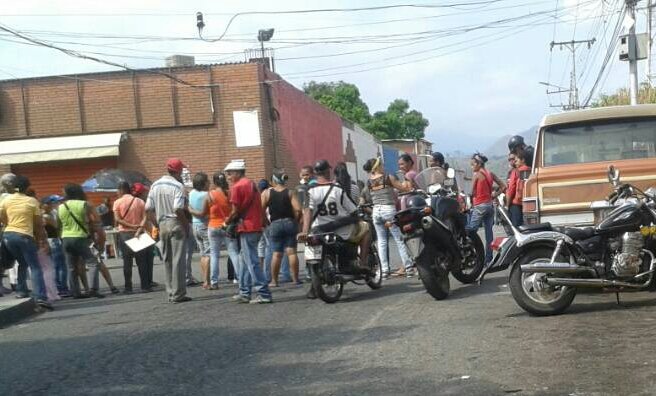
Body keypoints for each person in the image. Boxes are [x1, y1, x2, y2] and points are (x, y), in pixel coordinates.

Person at [299, 160, 371, 298]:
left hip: (319, 231)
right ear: (328, 171)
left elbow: (307, 211)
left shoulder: (309, 191)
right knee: (366, 228)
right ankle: (362, 262)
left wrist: (305, 231)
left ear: (315, 173)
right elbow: (353, 210)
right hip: (342, 231)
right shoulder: (337, 189)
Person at [224, 159, 272, 304]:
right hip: (255, 225)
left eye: (230, 173)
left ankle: (263, 293)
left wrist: (226, 221)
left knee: (251, 261)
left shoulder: (237, 187)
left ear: (238, 173)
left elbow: (235, 210)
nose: (228, 177)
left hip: (247, 226)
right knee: (244, 260)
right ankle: (244, 292)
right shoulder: (251, 184)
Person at [0, 175, 51, 309]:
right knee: (35, 266)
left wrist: (9, 226)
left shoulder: (6, 200)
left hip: (8, 235)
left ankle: (21, 291)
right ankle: (40, 296)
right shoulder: (32, 201)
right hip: (25, 235)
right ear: (28, 187)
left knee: (22, 262)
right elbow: (38, 224)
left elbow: (2, 218)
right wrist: (42, 240)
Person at [145, 158, 192, 304]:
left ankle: (170, 292)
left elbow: (148, 208)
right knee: (178, 259)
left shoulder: (155, 185)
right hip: (175, 222)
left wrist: (156, 225)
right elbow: (178, 208)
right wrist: (185, 225)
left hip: (162, 223)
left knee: (167, 259)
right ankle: (179, 293)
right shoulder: (178, 186)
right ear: (177, 171)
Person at [361, 157, 413, 278]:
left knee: (382, 241)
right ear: (378, 166)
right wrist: (406, 181)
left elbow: (365, 196)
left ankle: (384, 270)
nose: (383, 167)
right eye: (382, 165)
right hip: (388, 209)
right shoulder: (387, 177)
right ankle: (409, 266)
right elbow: (404, 188)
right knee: (398, 239)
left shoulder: (369, 181)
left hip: (376, 211)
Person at [189, 171, 237, 290]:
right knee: (233, 253)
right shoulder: (230, 193)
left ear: (215, 182)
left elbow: (202, 213)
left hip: (212, 226)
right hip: (226, 226)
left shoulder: (209, 195)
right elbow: (234, 210)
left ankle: (214, 281)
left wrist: (189, 209)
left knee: (214, 255)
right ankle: (241, 278)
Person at [58, 183, 106, 299]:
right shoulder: (85, 204)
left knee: (71, 267)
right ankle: (93, 289)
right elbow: (97, 220)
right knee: (92, 263)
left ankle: (76, 292)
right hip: (81, 237)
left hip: (66, 238)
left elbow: (59, 225)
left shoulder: (61, 206)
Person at [261, 169, 302, 287]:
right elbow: (298, 209)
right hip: (289, 222)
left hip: (275, 224)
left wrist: (265, 221)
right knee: (292, 252)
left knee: (276, 253)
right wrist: (295, 220)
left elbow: (261, 209)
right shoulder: (290, 192)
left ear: (273, 180)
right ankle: (295, 279)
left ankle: (274, 281)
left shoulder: (266, 193)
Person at [466, 153, 506, 263]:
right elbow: (503, 186)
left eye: (473, 164)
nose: (472, 167)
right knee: (489, 233)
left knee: (470, 230)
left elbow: (471, 192)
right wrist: (494, 195)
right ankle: (488, 259)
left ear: (479, 164)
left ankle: (473, 255)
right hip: (489, 205)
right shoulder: (490, 174)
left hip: (479, 205)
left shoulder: (477, 174)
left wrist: (470, 200)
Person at [113, 181, 150, 293]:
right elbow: (145, 217)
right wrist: (138, 229)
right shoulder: (140, 201)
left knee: (127, 262)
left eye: (117, 191)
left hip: (125, 234)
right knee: (142, 262)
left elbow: (118, 219)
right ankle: (145, 286)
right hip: (139, 234)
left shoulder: (117, 202)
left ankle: (128, 287)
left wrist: (131, 226)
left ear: (121, 190)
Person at [41, 195, 70, 297]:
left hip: (52, 241)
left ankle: (59, 287)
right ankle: (62, 287)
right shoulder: (46, 216)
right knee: (60, 265)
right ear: (44, 205)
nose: (53, 205)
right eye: (50, 203)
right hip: (53, 241)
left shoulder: (50, 214)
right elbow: (57, 226)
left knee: (56, 265)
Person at [188, 172, 211, 289]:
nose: (210, 183)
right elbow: (205, 212)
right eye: (208, 181)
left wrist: (190, 210)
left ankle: (204, 279)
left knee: (203, 254)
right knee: (208, 254)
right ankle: (207, 282)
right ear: (203, 183)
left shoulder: (191, 193)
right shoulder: (206, 195)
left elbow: (189, 207)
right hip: (205, 225)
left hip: (195, 225)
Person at [132, 182, 157, 288]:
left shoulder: (130, 202)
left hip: (130, 232)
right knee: (147, 259)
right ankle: (148, 282)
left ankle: (141, 283)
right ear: (141, 193)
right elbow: (147, 218)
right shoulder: (142, 203)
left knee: (139, 260)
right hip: (144, 232)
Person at [505, 150, 531, 227]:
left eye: (516, 160)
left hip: (516, 203)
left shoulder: (516, 171)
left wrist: (507, 204)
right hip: (528, 203)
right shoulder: (531, 170)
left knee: (516, 227)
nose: (515, 163)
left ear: (523, 160)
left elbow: (511, 189)